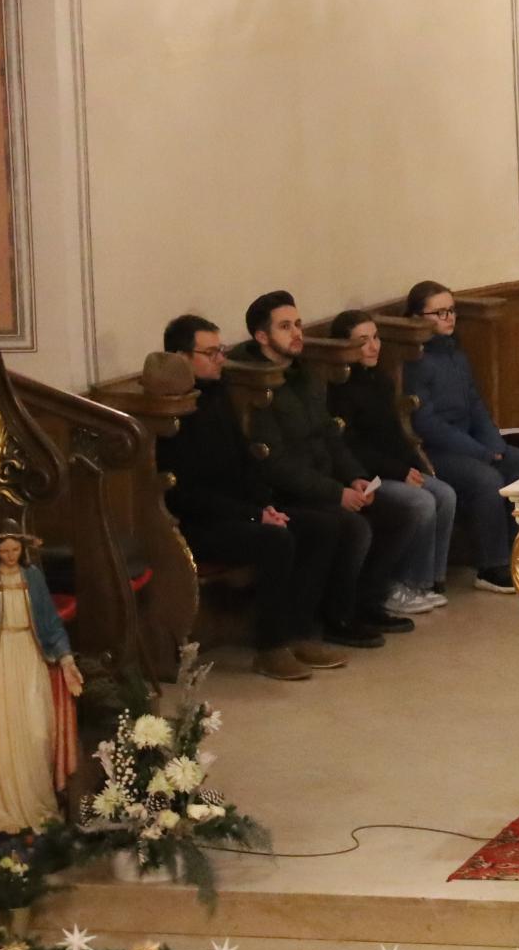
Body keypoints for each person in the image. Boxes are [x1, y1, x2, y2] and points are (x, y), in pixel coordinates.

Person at [156, 314, 357, 679]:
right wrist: (254, 516)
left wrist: (265, 505)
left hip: (236, 511)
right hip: (196, 524)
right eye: (211, 352)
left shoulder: (216, 395)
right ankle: (270, 647)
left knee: (323, 526)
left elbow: (245, 463)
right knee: (276, 541)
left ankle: (298, 632)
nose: (221, 358)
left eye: (221, 350)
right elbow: (189, 494)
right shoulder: (168, 414)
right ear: (182, 357)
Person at [228, 291, 415, 642]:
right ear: (262, 336)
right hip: (286, 493)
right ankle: (336, 618)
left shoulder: (304, 374)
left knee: (398, 512)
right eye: (285, 327)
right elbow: (277, 465)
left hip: (324, 481)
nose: (297, 333)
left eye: (298, 324)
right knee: (349, 526)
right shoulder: (256, 386)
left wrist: (356, 477)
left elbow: (331, 435)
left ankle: (366, 602)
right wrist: (335, 492)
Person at [401, 280, 519, 594]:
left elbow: (475, 405)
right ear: (417, 318)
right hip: (437, 451)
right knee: (486, 480)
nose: (448, 318)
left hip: (472, 443)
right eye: (439, 313)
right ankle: (491, 565)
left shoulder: (456, 355)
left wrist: (494, 443)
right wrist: (480, 451)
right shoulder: (415, 363)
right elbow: (427, 424)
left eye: (451, 310)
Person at [0, 525, 81, 839]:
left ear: (23, 550)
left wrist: (66, 659)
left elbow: (51, 622)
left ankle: (40, 804)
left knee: (37, 732)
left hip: (30, 658)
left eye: (15, 550)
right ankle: (0, 810)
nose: (11, 556)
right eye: (4, 551)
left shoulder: (34, 577)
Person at [327, 310, 456, 616]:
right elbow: (351, 447)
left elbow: (396, 434)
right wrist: (399, 471)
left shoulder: (380, 381)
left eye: (375, 338)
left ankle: (429, 581)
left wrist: (416, 465)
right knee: (420, 502)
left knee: (445, 493)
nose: (373, 347)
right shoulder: (338, 392)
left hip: (393, 467)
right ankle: (401, 585)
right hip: (367, 475)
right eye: (363, 341)